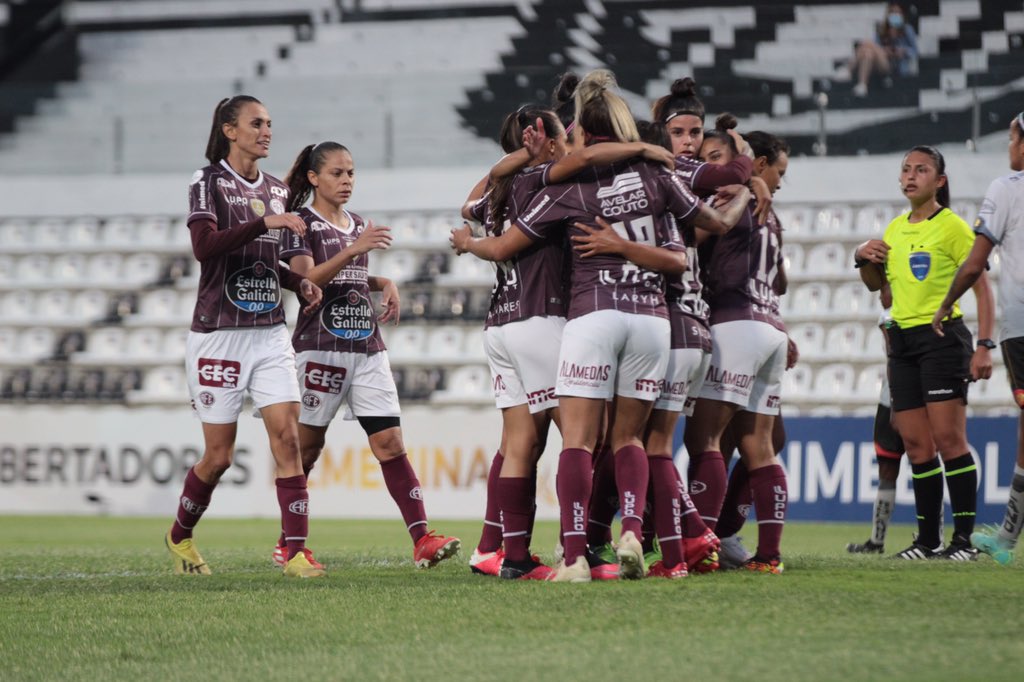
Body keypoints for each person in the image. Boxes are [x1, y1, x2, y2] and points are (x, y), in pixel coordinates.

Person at [454, 69, 750, 582]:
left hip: (529, 319)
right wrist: (657, 157)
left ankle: (547, 553)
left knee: (539, 441)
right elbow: (698, 236)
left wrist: (467, 243)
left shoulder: (536, 188)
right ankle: (627, 532)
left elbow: (483, 218)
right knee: (622, 440)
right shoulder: (653, 177)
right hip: (633, 317)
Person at [461, 106, 674, 581]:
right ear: (548, 141)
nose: (578, 148)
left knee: (520, 443)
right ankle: (574, 548)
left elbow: (466, 209)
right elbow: (580, 161)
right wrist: (641, 147)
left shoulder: (499, 189)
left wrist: (511, 161)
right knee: (582, 437)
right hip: (543, 316)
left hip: (500, 324)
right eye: (568, 139)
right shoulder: (547, 181)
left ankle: (512, 558)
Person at [278, 141, 461, 569]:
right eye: (337, 173)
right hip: (320, 352)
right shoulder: (301, 224)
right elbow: (308, 281)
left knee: (391, 443)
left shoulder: (356, 223)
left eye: (351, 173)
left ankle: (422, 539)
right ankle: (288, 542)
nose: (346, 181)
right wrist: (355, 249)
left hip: (367, 349)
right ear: (313, 178)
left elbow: (351, 278)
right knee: (304, 453)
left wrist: (382, 282)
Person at [165, 95, 326, 578]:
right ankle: (179, 536)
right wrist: (263, 222)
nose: (267, 131)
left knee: (287, 438)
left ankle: (296, 552)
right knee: (218, 457)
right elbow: (203, 247)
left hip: (269, 334)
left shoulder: (277, 191)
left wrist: (298, 282)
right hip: (218, 335)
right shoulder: (207, 181)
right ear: (229, 130)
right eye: (257, 123)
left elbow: (266, 260)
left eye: (270, 124)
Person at [855, 145, 994, 560]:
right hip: (902, 344)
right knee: (916, 445)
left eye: (922, 170)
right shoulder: (894, 230)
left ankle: (964, 541)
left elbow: (982, 288)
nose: (911, 176)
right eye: (906, 170)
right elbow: (877, 289)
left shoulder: (952, 227)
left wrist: (985, 345)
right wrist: (862, 258)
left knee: (950, 439)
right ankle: (927, 541)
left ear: (940, 181)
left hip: (942, 340)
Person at [682, 127, 793, 574]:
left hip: (734, 324)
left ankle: (704, 548)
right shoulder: (772, 212)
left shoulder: (730, 195)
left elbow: (694, 236)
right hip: (771, 326)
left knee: (703, 439)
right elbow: (782, 279)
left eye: (716, 158)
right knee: (759, 446)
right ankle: (768, 556)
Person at [931, 112, 1024, 565]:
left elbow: (974, 263)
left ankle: (1007, 537)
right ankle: (1007, 534)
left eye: (1011, 138)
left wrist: (948, 301)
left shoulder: (1007, 188)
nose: (1009, 147)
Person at [848, 286, 906, 554]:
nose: (881, 294)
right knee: (887, 467)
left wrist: (897, 399)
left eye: (885, 287)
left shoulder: (905, 313)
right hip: (891, 397)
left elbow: (896, 356)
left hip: (904, 397)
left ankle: (932, 537)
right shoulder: (888, 314)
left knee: (924, 464)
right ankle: (877, 541)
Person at [848, 3, 918, 98]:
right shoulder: (882, 30)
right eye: (892, 12)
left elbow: (915, 51)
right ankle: (862, 85)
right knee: (868, 53)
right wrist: (885, 50)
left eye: (897, 12)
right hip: (882, 62)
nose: (895, 15)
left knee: (867, 44)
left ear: (902, 15)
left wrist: (903, 51)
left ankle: (849, 69)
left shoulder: (907, 29)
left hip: (897, 65)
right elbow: (876, 48)